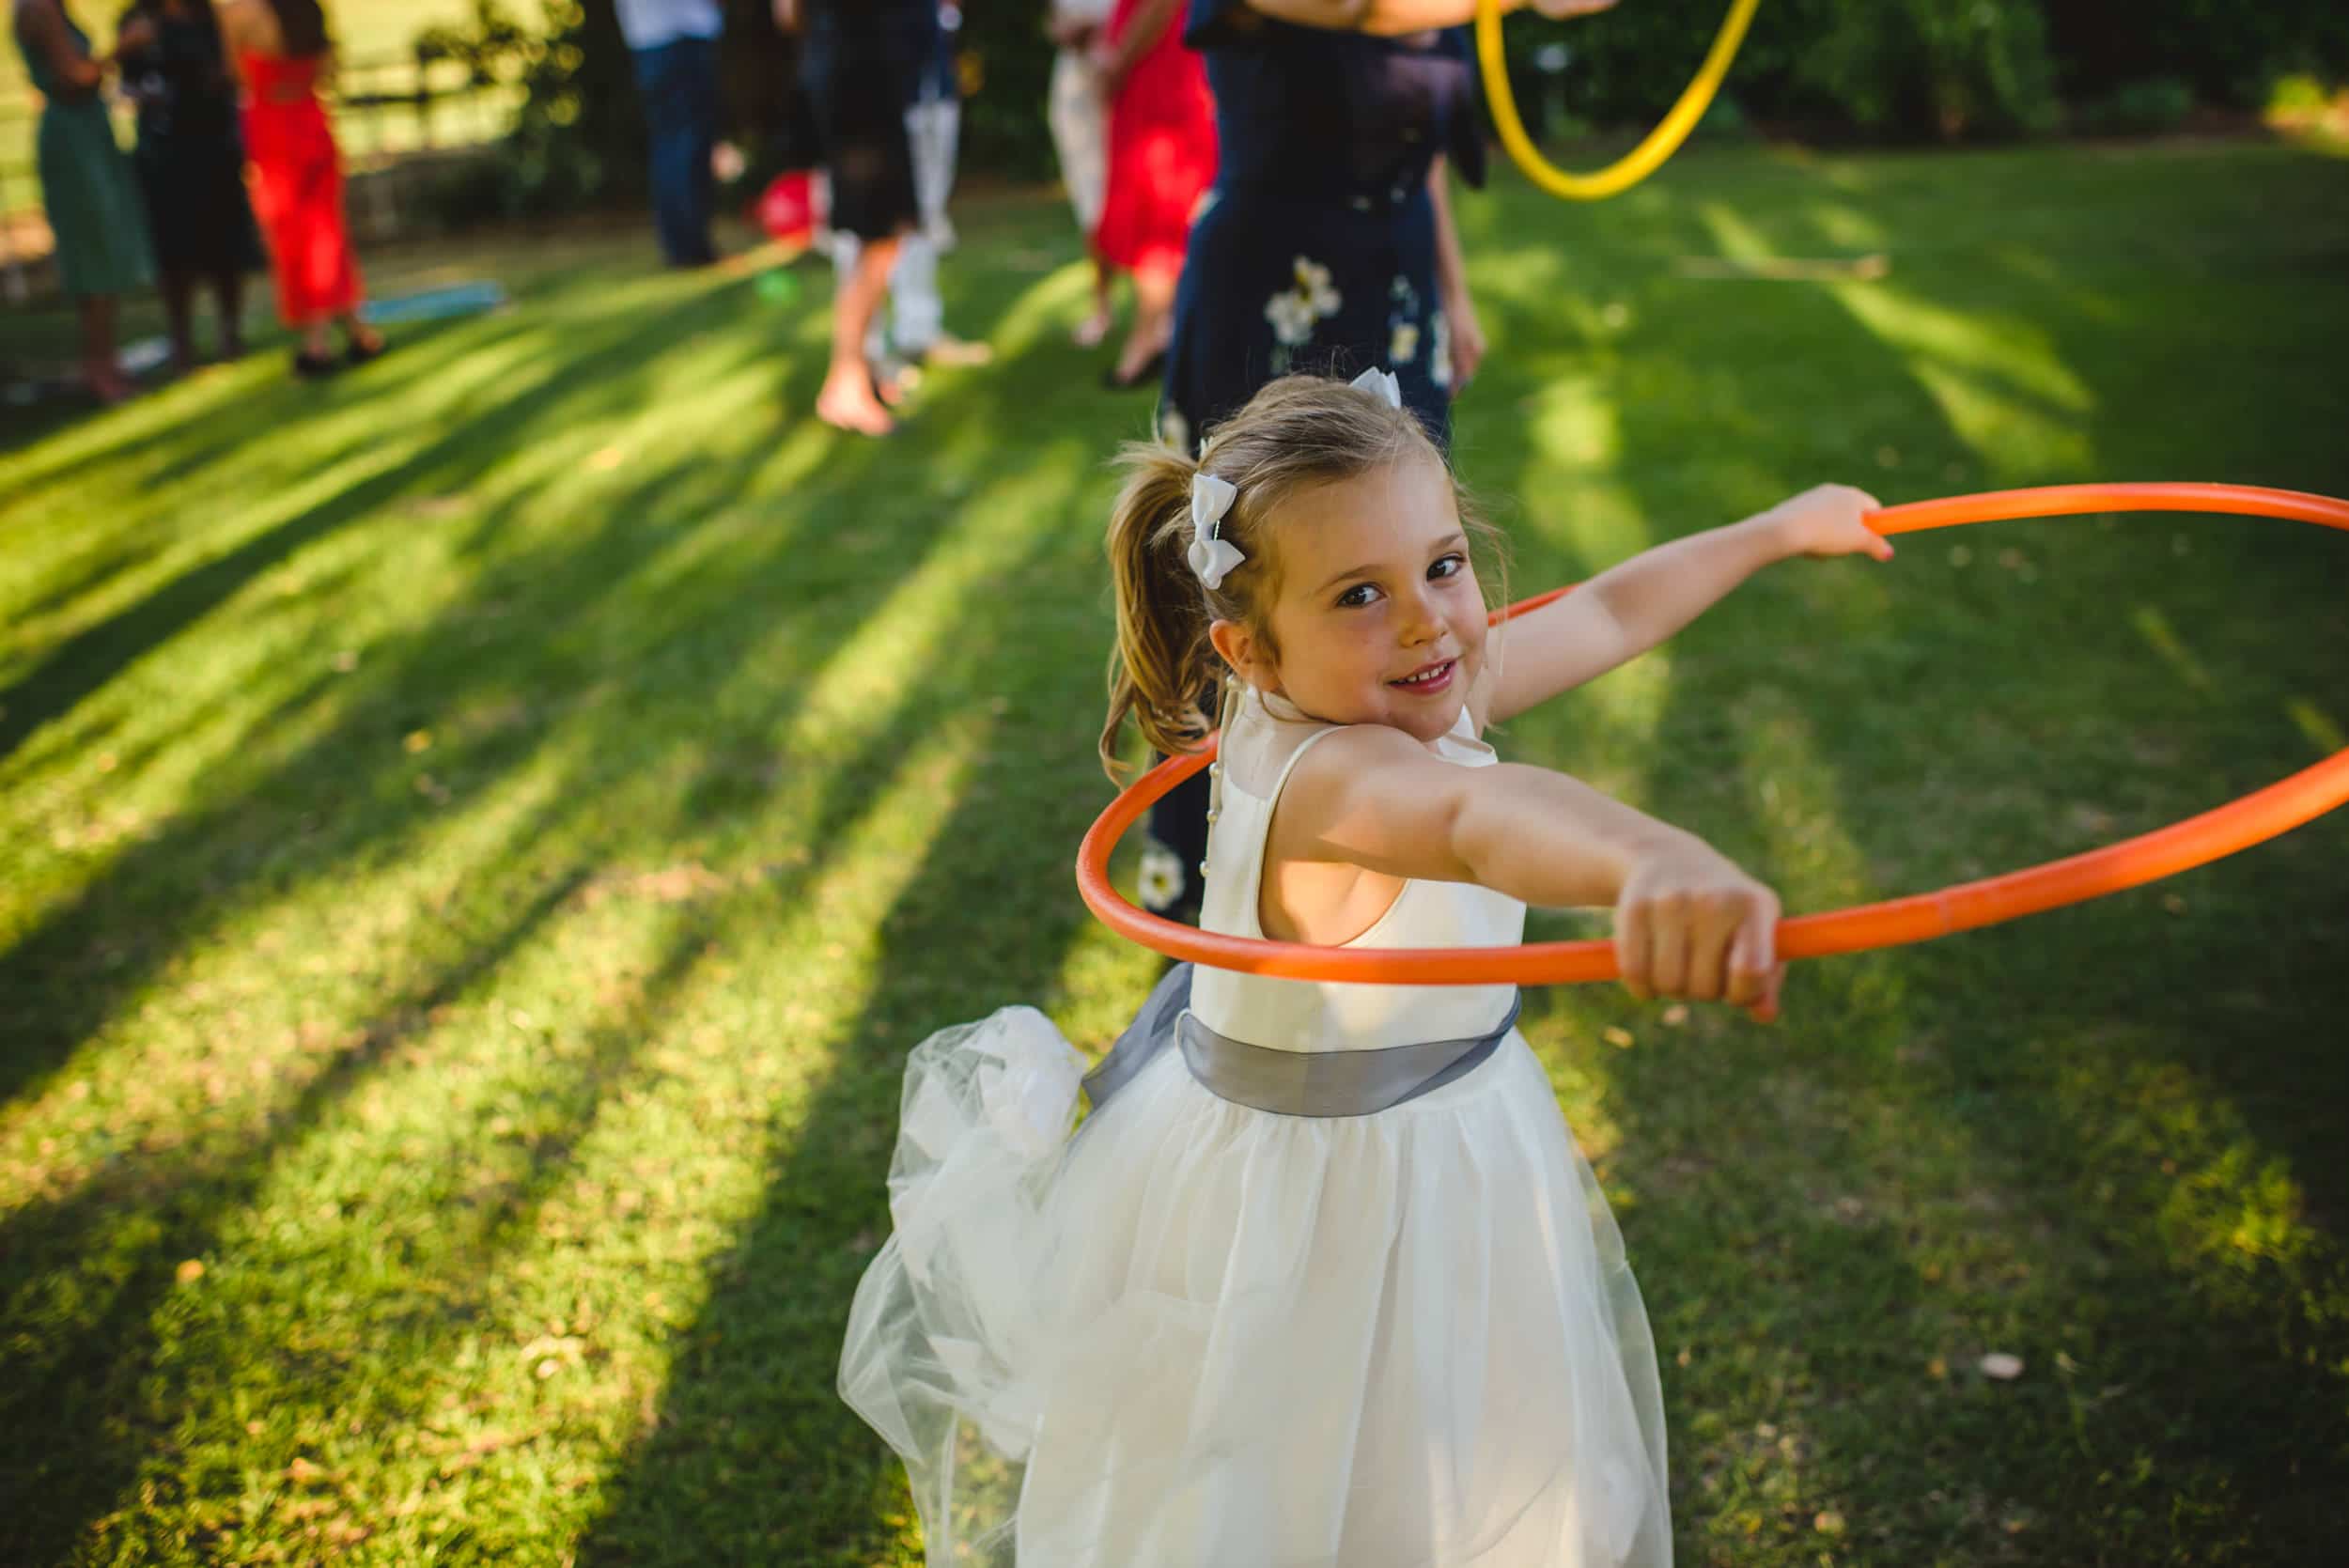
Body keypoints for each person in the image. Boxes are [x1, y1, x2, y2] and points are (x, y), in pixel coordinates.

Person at [838, 368, 1893, 1563]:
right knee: (1328, 1489)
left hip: (1420, 1139)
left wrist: (1770, 532)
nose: (1425, 621)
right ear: (1253, 650)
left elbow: (1606, 614)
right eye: (1360, 593)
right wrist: (1651, 860)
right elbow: (1479, 825)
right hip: (1337, 1213)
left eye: (1443, 564)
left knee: (1428, 1466)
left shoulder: (1374, 689)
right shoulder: (1351, 776)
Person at [1142, 0, 1618, 923]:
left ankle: (1393, 859)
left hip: (1389, 283)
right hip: (1274, 286)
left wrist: (1451, 290)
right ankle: (1231, 889)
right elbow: (1361, 8)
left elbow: (1418, 151)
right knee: (1264, 585)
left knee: (1395, 558)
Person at [774, 0, 924, 437]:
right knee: (883, 236)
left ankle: (859, 372)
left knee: (876, 238)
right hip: (860, 81)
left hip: (843, 69)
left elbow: (787, 14)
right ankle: (844, 382)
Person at [831, 0, 994, 386]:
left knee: (922, 215)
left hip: (928, 78)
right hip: (868, 85)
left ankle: (918, 329)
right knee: (866, 226)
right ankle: (861, 356)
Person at [216, 0, 381, 378]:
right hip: (312, 124)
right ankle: (358, 334)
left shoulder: (238, 13)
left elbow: (234, 73)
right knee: (327, 235)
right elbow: (328, 69)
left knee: (299, 241)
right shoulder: (308, 12)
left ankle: (317, 344)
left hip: (273, 134)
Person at [12, 0, 154, 403]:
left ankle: (106, 363)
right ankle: (99, 369)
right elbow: (76, 75)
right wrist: (125, 47)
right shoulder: (39, 8)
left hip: (89, 131)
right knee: (91, 250)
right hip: (74, 139)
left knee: (106, 247)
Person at [117, 0, 260, 371]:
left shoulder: (213, 18)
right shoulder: (137, 22)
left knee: (225, 243)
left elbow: (238, 72)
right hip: (165, 153)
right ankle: (182, 339)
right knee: (175, 249)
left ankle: (230, 330)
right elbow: (125, 87)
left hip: (215, 144)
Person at [1090, 0, 1214, 389]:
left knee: (1159, 211)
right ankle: (1165, 333)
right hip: (1157, 71)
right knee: (1154, 207)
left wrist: (1118, 60)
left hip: (1160, 73)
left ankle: (1145, 339)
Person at [614, 0, 722, 269]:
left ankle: (679, 246)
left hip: (646, 42)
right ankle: (693, 248)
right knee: (689, 145)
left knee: (668, 145)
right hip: (681, 39)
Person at [1046, 0, 1115, 346]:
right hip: (1077, 89)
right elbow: (1054, 22)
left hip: (1128, 78)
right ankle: (1102, 307)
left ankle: (1160, 313)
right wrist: (1069, 33)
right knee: (1092, 200)